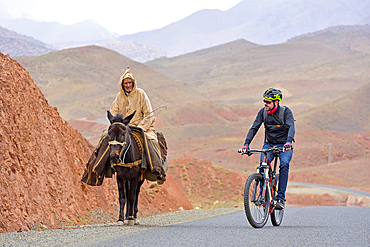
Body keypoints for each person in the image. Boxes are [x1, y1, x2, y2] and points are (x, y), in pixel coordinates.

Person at [97, 66, 166, 182]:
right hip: (123, 129)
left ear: (133, 83)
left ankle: (158, 170)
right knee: (105, 137)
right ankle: (97, 168)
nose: (128, 85)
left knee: (152, 141)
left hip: (142, 128)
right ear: (122, 85)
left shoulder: (141, 94)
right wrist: (118, 125)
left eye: (130, 83)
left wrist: (140, 128)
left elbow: (149, 115)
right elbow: (113, 113)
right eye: (125, 83)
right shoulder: (119, 97)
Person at [239, 87, 295, 209]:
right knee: (262, 165)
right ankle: (261, 195)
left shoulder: (285, 112)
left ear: (276, 102)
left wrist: (288, 142)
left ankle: (280, 199)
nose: (265, 104)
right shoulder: (263, 112)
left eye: (268, 102)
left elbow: (291, 127)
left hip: (284, 145)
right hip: (269, 144)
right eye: (264, 101)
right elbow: (254, 128)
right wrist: (246, 144)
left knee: (284, 164)